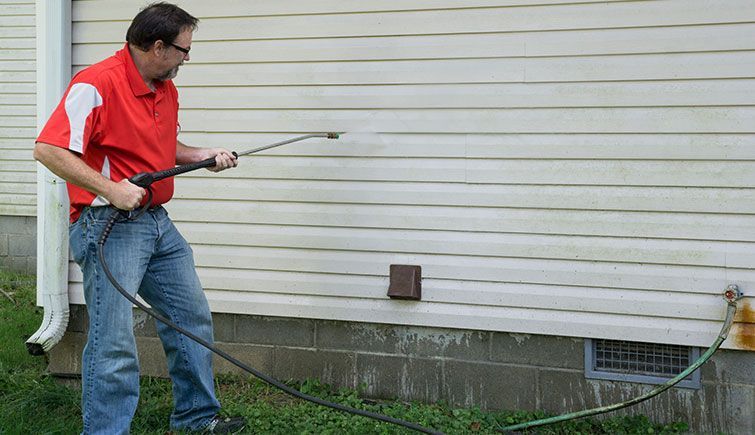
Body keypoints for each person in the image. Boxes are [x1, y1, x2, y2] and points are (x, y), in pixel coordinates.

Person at [33, 3, 245, 434]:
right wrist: (111, 189)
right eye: (184, 50)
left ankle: (195, 417)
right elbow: (49, 149)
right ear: (157, 46)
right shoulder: (95, 83)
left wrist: (200, 155)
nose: (188, 58)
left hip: (156, 223)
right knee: (114, 344)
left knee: (190, 318)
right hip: (108, 228)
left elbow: (160, 149)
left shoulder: (164, 86)